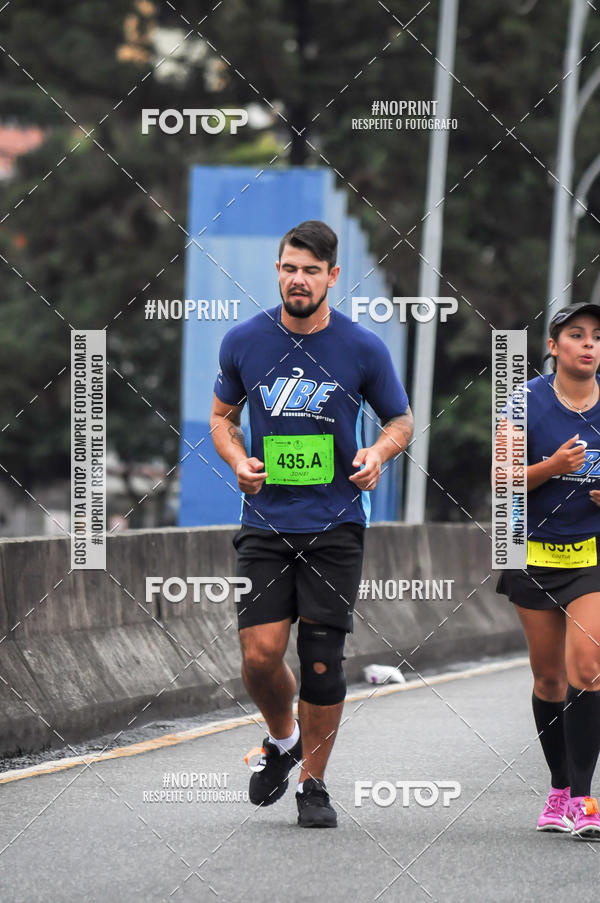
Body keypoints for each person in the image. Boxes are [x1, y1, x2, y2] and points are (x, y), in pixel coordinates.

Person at [210, 220, 413, 827]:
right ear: (278, 271)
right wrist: (237, 461)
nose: (299, 280)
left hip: (336, 522)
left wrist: (377, 454)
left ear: (332, 276)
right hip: (265, 522)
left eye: (311, 271)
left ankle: (314, 785)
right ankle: (284, 739)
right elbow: (222, 418)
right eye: (290, 269)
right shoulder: (244, 341)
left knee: (322, 660)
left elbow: (400, 420)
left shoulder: (361, 348)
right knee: (259, 656)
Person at [495, 301, 600, 839]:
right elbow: (502, 478)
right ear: (554, 346)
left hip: (592, 556)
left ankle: (583, 798)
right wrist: (554, 467)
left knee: (588, 668)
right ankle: (559, 789)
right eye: (577, 335)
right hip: (531, 552)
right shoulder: (522, 402)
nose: (589, 344)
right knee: (550, 677)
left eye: (597, 336)